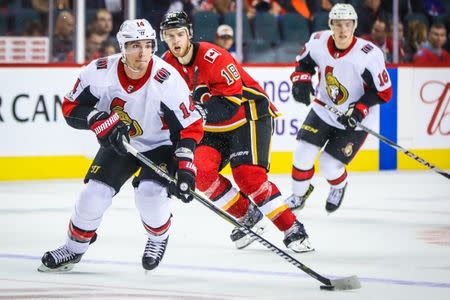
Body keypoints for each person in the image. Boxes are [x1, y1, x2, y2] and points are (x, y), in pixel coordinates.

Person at [38, 18, 203, 272]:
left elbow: (190, 126)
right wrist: (97, 120)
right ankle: (73, 248)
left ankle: (158, 238)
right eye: (135, 45)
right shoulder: (100, 71)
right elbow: (71, 107)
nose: (143, 52)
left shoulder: (166, 80)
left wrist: (185, 165)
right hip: (120, 143)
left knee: (150, 196)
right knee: (92, 196)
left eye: (148, 45)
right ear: (122, 47)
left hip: (160, 145)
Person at [159, 11, 313, 253]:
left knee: (249, 177)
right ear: (164, 38)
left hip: (247, 116)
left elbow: (231, 101)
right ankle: (249, 215)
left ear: (189, 33)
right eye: (170, 36)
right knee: (200, 173)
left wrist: (198, 114)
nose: (176, 40)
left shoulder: (214, 56)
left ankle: (292, 228)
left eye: (180, 34)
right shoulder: (165, 64)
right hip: (210, 126)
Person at [286, 3, 392, 213]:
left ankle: (339, 185)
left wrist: (360, 108)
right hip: (325, 107)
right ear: (330, 25)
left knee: (328, 165)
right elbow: (304, 62)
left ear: (354, 26)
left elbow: (384, 92)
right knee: (302, 154)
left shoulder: (369, 54)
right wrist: (301, 80)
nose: (342, 30)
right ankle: (298, 196)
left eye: (347, 25)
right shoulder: (317, 41)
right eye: (337, 25)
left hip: (358, 117)